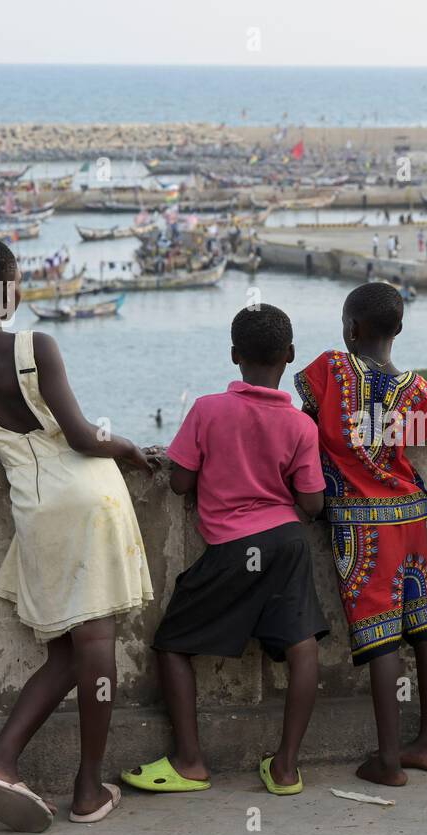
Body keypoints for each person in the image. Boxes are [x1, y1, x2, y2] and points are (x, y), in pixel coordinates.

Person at [0, 238, 153, 832]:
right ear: (11, 287)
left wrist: (8, 448)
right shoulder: (35, 345)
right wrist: (124, 445)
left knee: (67, 650)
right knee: (95, 643)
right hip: (89, 494)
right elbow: (79, 436)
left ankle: (1, 762)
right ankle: (88, 788)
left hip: (34, 502)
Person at [123, 304, 327, 796]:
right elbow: (312, 503)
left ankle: (190, 761)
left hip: (235, 545)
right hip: (289, 541)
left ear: (234, 355)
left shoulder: (208, 409)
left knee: (172, 644)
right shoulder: (302, 425)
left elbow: (179, 483)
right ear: (291, 356)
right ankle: (285, 769)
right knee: (302, 648)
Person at [295, 283, 427, 787]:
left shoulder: (331, 371)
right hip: (409, 515)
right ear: (399, 330)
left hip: (361, 524)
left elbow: (302, 429)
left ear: (349, 328)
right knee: (426, 625)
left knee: (380, 634)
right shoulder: (417, 389)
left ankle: (388, 760)